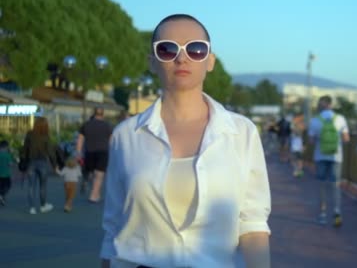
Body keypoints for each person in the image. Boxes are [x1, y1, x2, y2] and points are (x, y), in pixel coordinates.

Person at [101, 14, 271, 268]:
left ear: (210, 61)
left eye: (196, 49)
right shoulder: (125, 136)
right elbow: (113, 227)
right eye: (167, 49)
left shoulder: (241, 133)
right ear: (152, 62)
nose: (182, 58)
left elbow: (253, 223)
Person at [308, 95, 349, 227]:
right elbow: (346, 139)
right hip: (336, 157)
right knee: (335, 184)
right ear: (331, 105)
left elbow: (311, 141)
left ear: (320, 105)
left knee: (321, 185)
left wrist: (321, 139)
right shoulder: (340, 119)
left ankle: (322, 214)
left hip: (320, 156)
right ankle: (337, 212)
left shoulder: (315, 120)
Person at [76, 106, 112, 202]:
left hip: (89, 152)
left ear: (94, 113)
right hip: (103, 152)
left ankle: (91, 187)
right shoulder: (107, 125)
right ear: (103, 114)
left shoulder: (86, 125)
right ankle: (93, 195)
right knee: (99, 175)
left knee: (91, 173)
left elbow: (80, 139)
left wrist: (78, 152)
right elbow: (111, 140)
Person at [22, 116, 57, 214]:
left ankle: (32, 208)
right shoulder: (46, 136)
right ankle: (43, 206)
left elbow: (24, 149)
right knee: (43, 186)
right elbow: (51, 152)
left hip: (31, 163)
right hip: (42, 163)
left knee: (31, 186)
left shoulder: (29, 134)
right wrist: (54, 165)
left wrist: (23, 162)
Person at [0, 140, 16, 206]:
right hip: (6, 175)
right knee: (7, 186)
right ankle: (1, 196)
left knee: (1, 187)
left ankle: (2, 198)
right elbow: (10, 164)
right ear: (6, 147)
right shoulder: (7, 155)